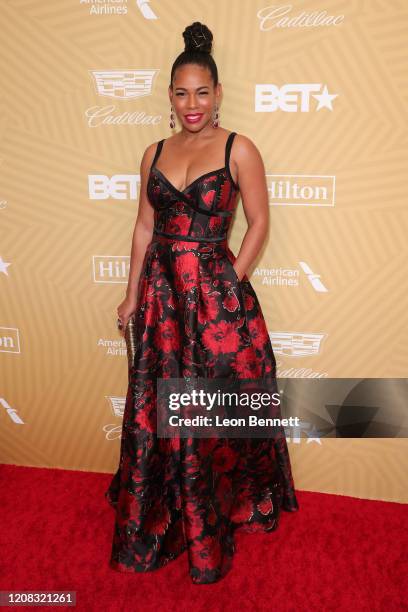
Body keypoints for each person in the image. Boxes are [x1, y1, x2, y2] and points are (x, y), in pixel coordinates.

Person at [105, 21, 299, 585]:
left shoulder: (240, 148)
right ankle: (166, 510)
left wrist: (228, 286)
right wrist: (131, 292)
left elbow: (259, 224)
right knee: (160, 410)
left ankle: (220, 509)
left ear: (218, 95)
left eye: (203, 92)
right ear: (170, 96)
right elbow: (144, 229)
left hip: (216, 307)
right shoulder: (153, 153)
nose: (193, 104)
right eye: (182, 93)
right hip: (163, 306)